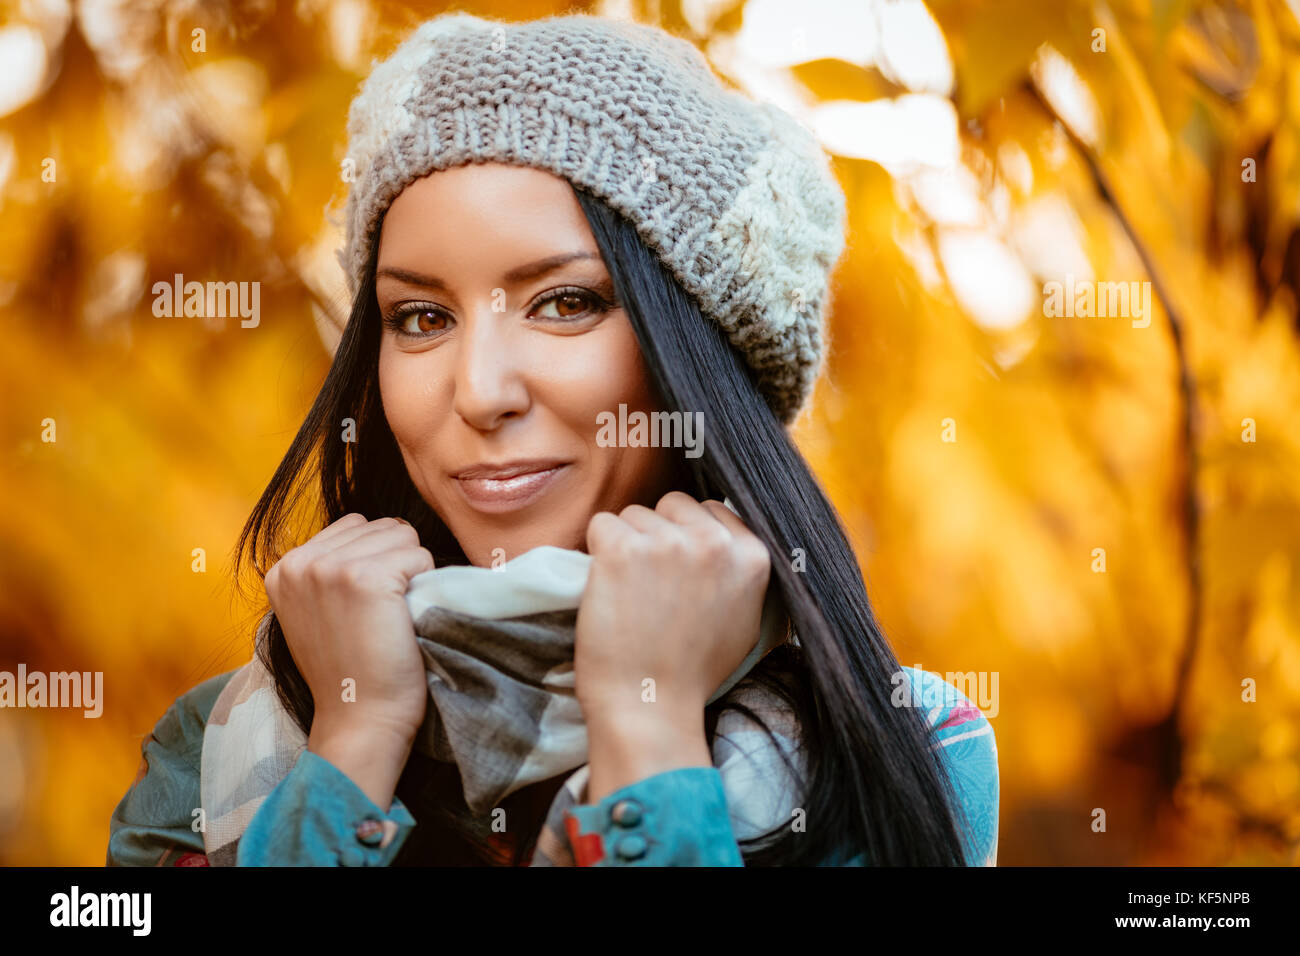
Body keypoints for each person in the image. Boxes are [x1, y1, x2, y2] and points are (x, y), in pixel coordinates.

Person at [107, 11, 998, 867]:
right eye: (420, 317)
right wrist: (353, 745)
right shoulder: (213, 752)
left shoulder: (906, 754)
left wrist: (646, 733)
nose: (480, 391)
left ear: (697, 354)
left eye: (565, 302)